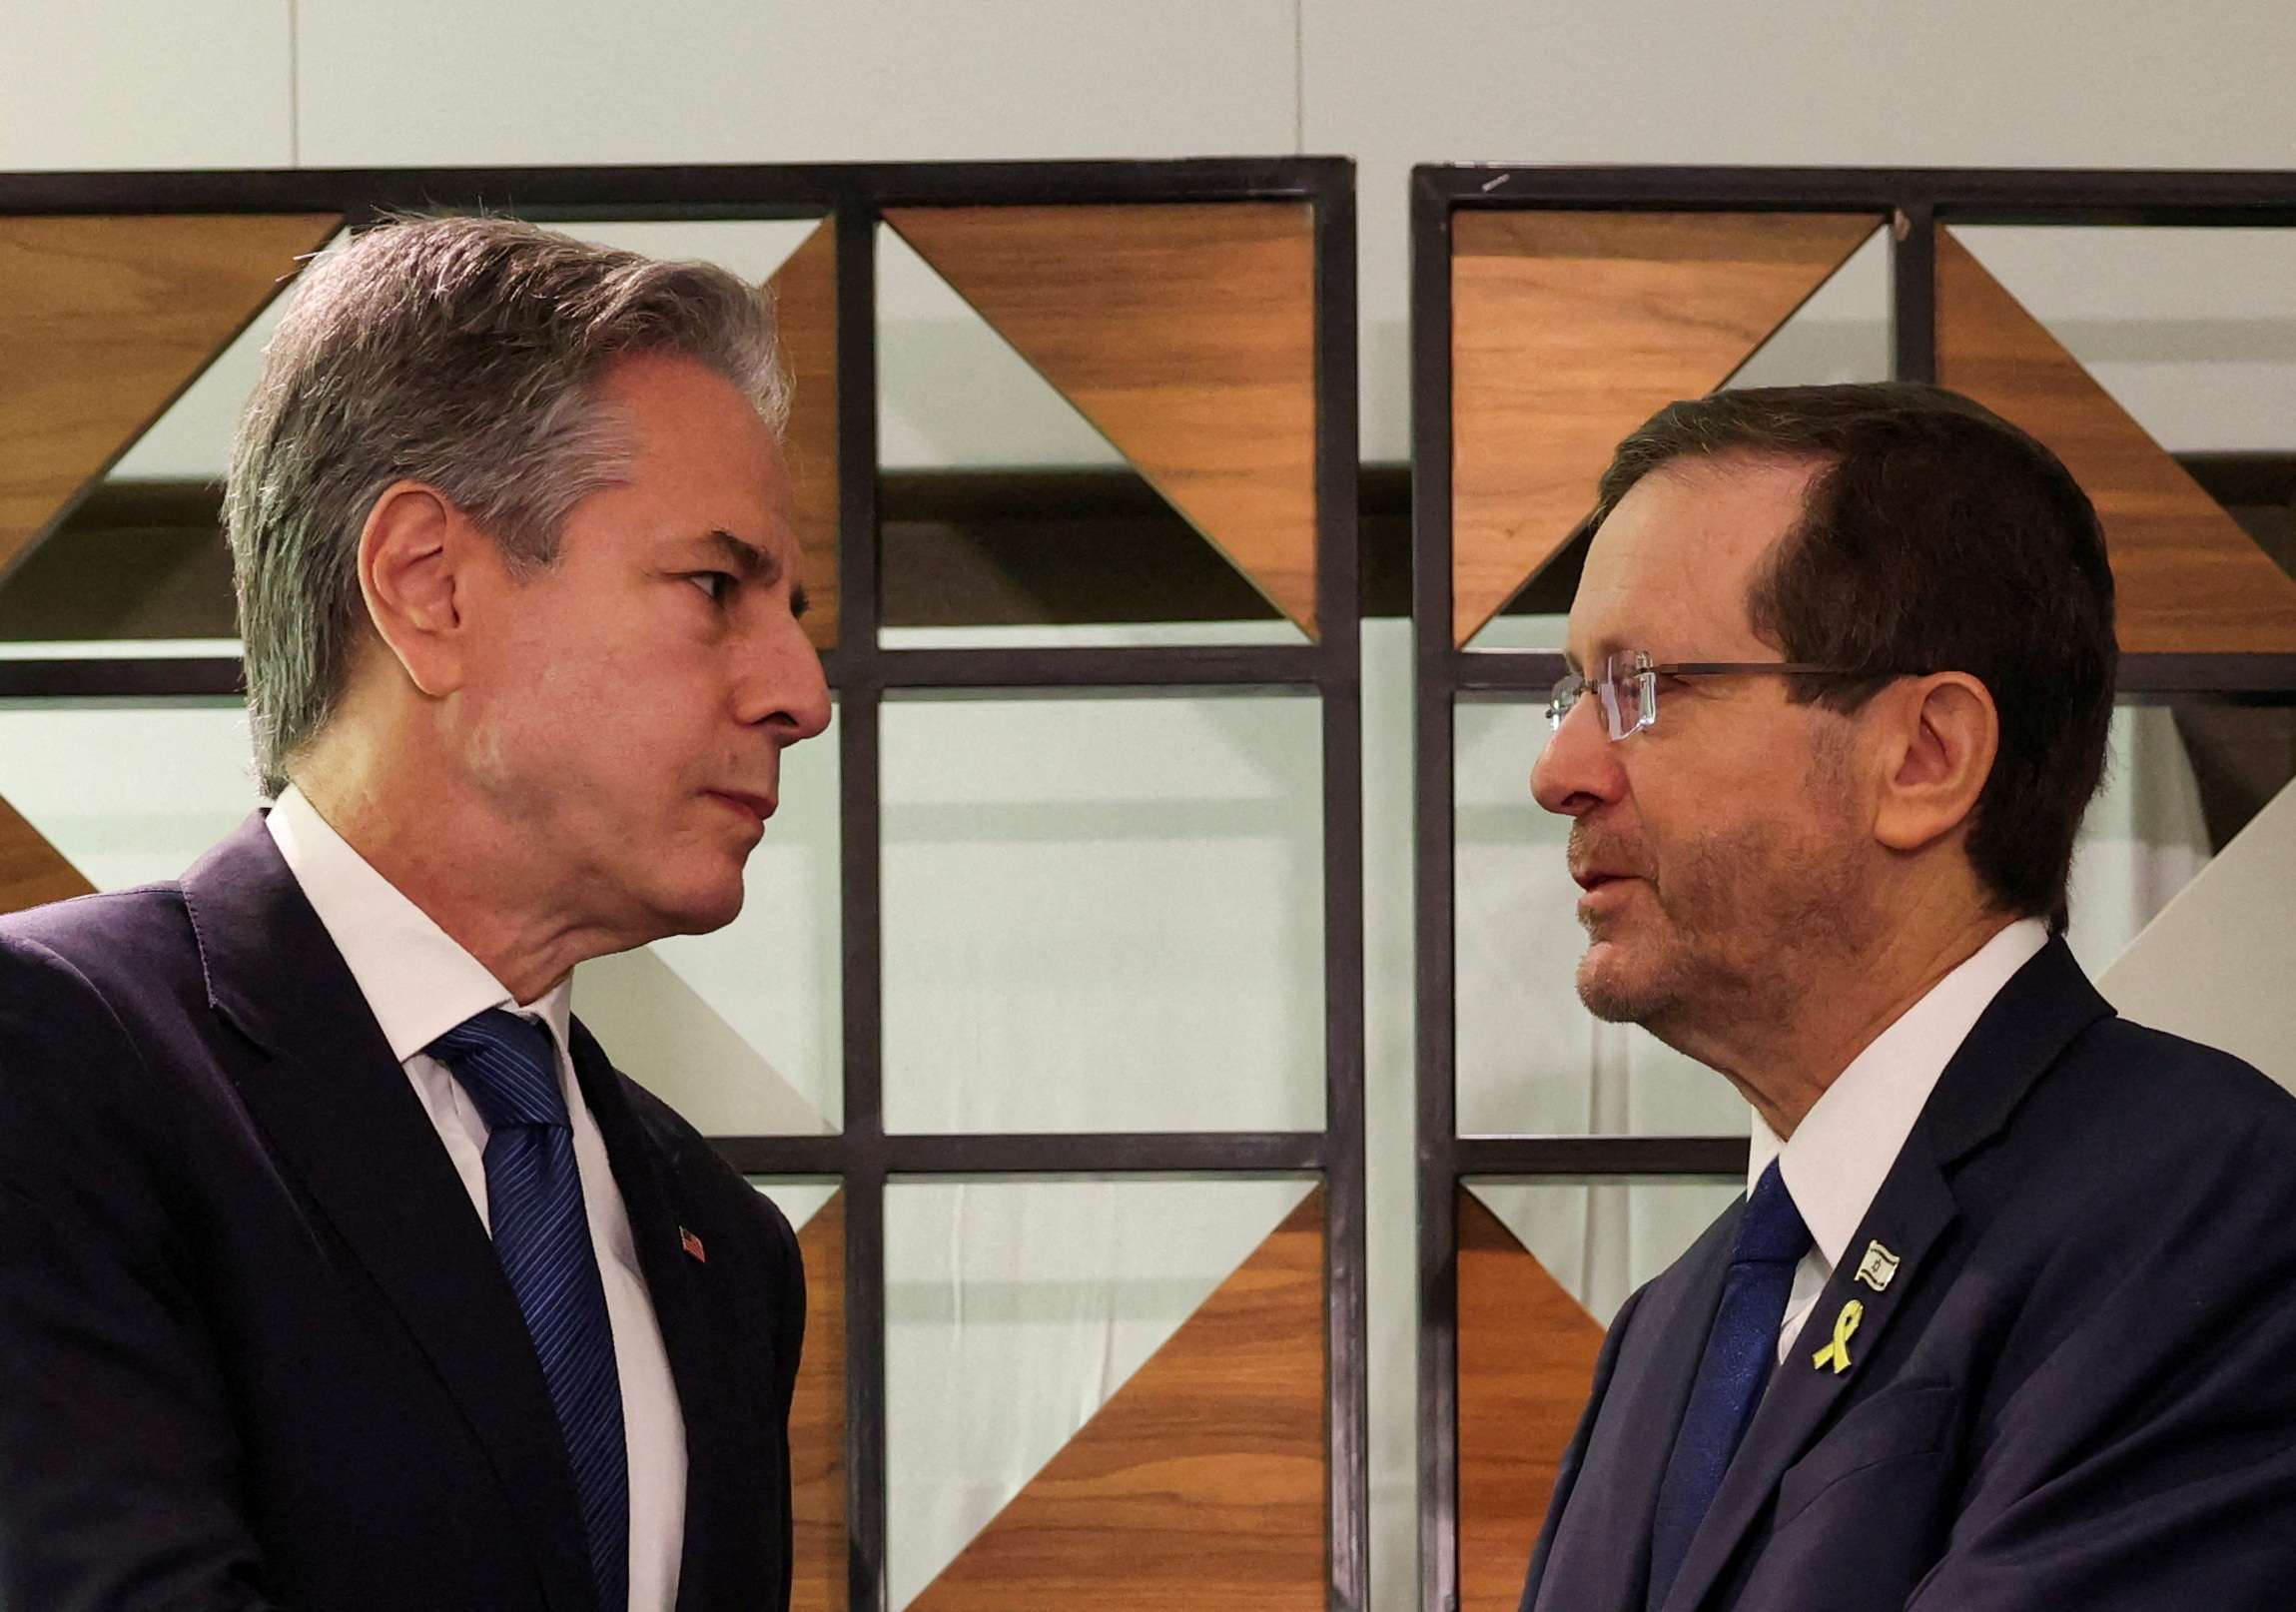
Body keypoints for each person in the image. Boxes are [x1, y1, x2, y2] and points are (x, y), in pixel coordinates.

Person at [0, 216, 831, 1612]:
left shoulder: (724, 1245)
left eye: (789, 607)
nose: (800, 691)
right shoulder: (58, 1061)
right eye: (714, 586)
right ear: (428, 586)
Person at [1516, 383, 2296, 1612]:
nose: (1558, 771)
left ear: (1925, 758)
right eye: (1572, 695)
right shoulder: (1668, 1331)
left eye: (1641, 689)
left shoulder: (2217, 1212)